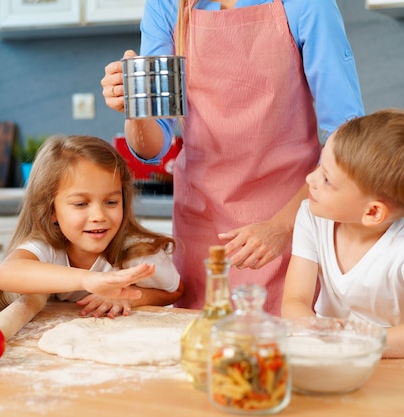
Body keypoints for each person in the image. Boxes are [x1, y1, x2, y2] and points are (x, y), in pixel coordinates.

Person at [101, 0, 364, 314]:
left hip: (292, 217)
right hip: (201, 222)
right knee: (204, 349)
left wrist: (283, 226)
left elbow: (347, 138)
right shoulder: (168, 5)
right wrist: (135, 106)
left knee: (279, 348)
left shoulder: (307, 5)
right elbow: (152, 147)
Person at [281, 108, 404, 358]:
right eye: (319, 166)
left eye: (327, 179)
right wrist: (323, 342)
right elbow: (294, 302)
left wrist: (357, 341)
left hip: (393, 365)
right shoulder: (312, 218)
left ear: (372, 213)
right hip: (333, 358)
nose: (310, 179)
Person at [0, 135, 183, 318]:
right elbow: (6, 274)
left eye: (111, 202)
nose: (99, 216)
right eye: (81, 204)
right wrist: (89, 280)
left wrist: (129, 298)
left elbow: (176, 290)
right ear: (51, 211)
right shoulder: (49, 247)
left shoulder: (137, 253)